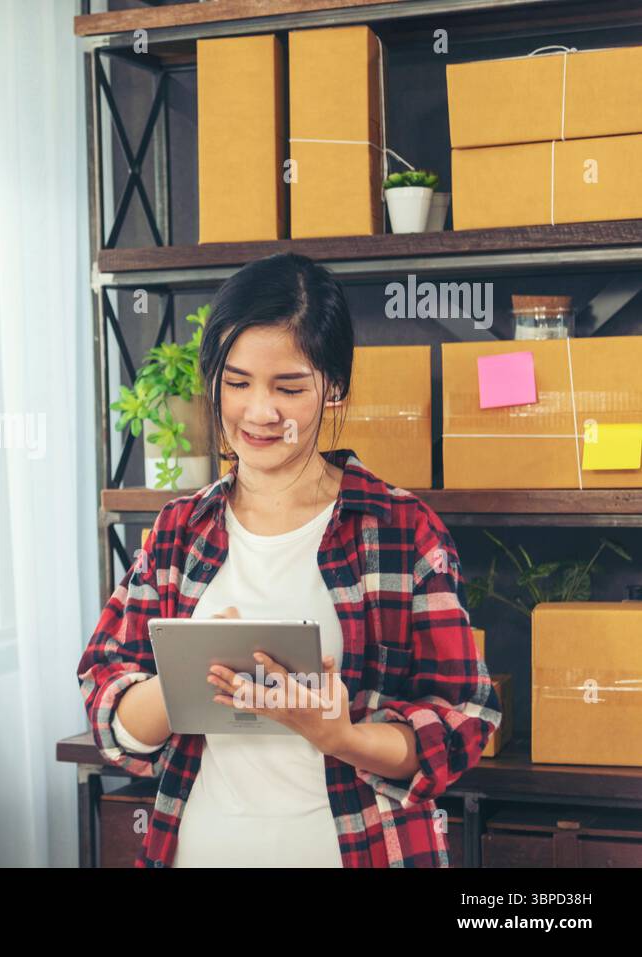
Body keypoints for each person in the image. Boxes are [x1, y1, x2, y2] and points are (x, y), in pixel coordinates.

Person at [76, 252, 501, 868]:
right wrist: (180, 684)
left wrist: (343, 737)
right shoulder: (177, 533)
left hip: (352, 851)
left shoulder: (401, 530)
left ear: (334, 389)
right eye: (238, 382)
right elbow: (108, 701)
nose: (260, 412)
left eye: (289, 387)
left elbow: (463, 719)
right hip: (199, 848)